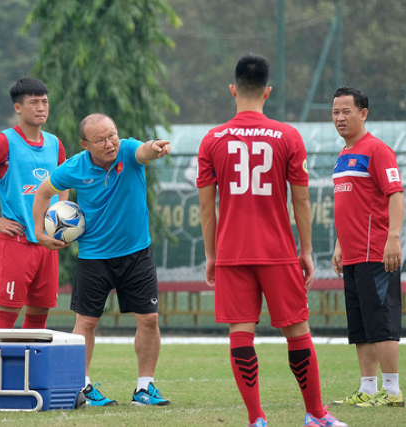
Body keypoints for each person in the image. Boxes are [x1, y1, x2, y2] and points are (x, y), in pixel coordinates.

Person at [197, 53, 347, 427]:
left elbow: (206, 208)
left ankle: (257, 418)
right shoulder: (288, 135)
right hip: (278, 251)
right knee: (297, 331)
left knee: (241, 332)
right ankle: (315, 415)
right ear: (267, 91)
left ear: (233, 90)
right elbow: (300, 199)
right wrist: (307, 251)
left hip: (232, 251)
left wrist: (211, 255)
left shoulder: (212, 139)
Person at [32, 113, 172, 407]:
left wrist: (155, 147)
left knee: (149, 319)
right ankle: (81, 389)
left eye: (112, 135)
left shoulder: (128, 151)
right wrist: (39, 232)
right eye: (100, 140)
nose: (110, 143)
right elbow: (43, 193)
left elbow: (144, 149)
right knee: (86, 323)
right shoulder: (74, 167)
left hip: (137, 253)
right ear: (85, 144)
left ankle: (144, 388)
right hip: (94, 257)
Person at [0, 77, 67, 339]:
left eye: (45, 101)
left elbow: (64, 181)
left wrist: (60, 213)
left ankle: (29, 378)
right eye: (34, 102)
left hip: (46, 244)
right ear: (18, 108)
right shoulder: (3, 142)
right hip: (16, 240)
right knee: (7, 315)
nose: (41, 107)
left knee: (39, 314)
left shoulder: (55, 144)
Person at [329, 87, 404, 408]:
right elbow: (349, 206)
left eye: (346, 111)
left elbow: (395, 194)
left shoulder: (378, 150)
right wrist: (338, 244)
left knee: (381, 323)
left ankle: (393, 392)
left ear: (363, 113)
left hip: (377, 254)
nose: (340, 118)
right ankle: (368, 388)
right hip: (353, 255)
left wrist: (394, 236)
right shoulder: (344, 154)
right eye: (335, 112)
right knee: (360, 326)